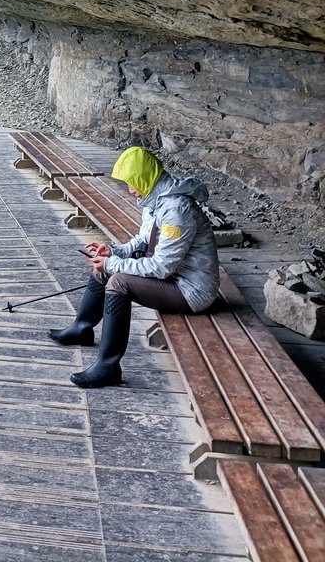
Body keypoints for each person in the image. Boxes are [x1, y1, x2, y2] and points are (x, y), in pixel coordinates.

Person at [48, 146, 220, 388]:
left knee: (118, 281)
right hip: (173, 277)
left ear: (145, 178)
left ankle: (108, 367)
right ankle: (81, 328)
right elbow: (142, 240)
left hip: (191, 289)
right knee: (105, 266)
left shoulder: (176, 210)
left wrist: (113, 264)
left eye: (132, 182)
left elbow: (161, 267)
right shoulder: (154, 199)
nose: (130, 190)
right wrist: (113, 251)